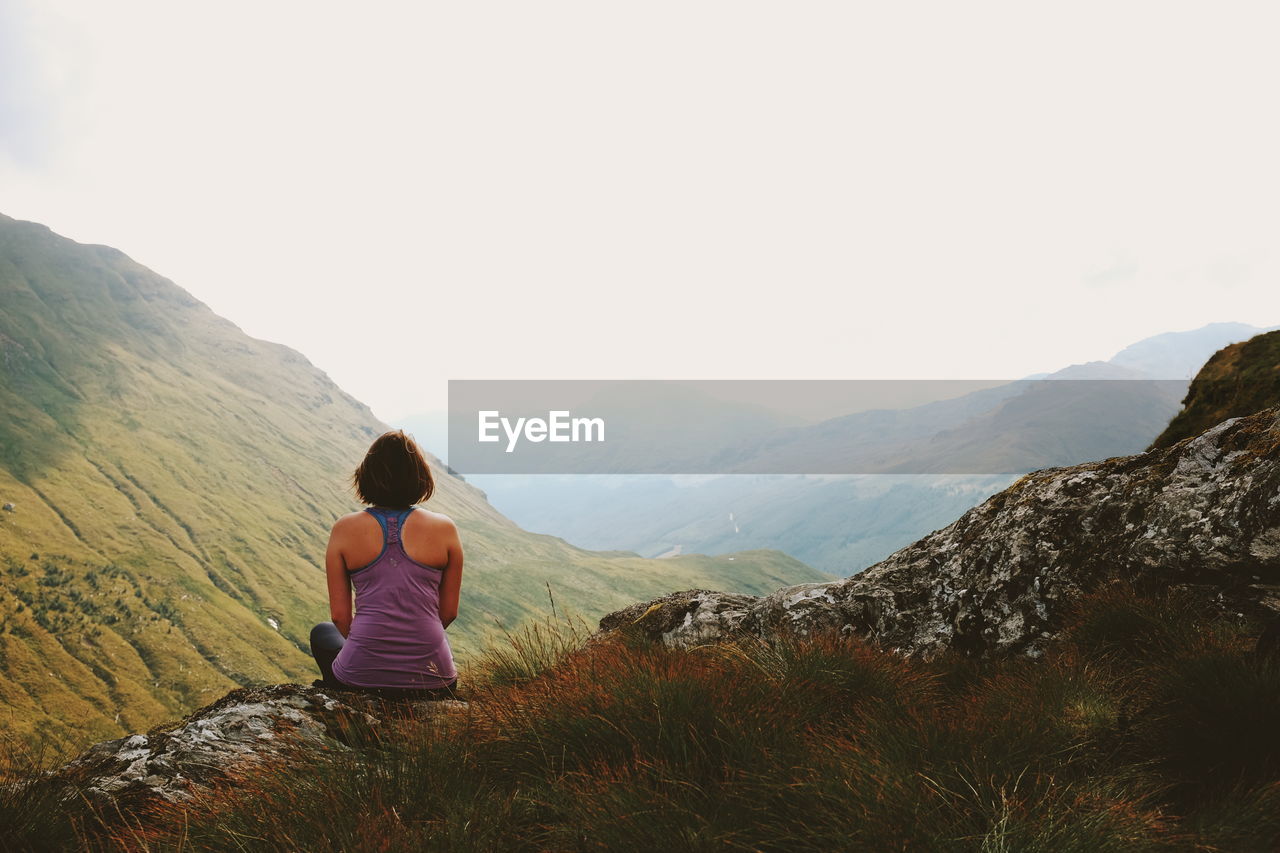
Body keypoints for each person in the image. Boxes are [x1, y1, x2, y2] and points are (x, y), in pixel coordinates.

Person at [309, 429, 463, 700]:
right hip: (434, 680)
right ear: (421, 478)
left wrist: (370, 649)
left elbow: (340, 618)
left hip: (360, 677)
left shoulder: (344, 529)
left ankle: (342, 699)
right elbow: (448, 613)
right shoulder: (445, 529)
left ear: (366, 477)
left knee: (323, 632)